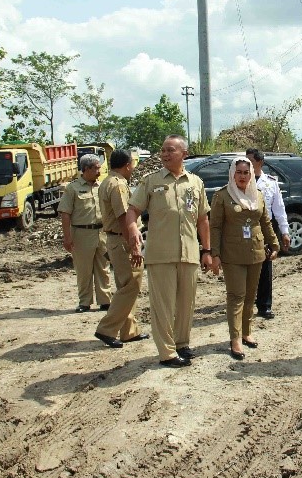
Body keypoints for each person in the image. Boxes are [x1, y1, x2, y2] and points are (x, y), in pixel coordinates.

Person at [126, 135, 212, 368]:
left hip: (189, 253)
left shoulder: (195, 183)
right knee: (163, 305)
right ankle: (167, 352)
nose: (164, 154)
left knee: (187, 303)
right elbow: (132, 211)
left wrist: (207, 250)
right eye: (162, 150)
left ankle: (182, 343)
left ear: (184, 153)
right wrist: (133, 231)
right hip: (160, 254)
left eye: (170, 150)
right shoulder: (151, 181)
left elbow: (203, 219)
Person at [210, 157, 280, 360]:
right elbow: (215, 226)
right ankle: (235, 339)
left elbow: (265, 221)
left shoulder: (257, 195)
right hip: (232, 254)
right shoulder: (222, 195)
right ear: (232, 173)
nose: (242, 176)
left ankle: (247, 332)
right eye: (239, 172)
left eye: (246, 172)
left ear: (251, 175)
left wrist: (274, 244)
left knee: (251, 295)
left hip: (256, 252)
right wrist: (215, 253)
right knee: (236, 296)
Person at [93, 149, 150, 349]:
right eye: (132, 165)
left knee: (125, 285)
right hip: (122, 240)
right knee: (131, 286)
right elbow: (124, 218)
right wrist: (134, 246)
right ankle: (106, 329)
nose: (133, 168)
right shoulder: (117, 185)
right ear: (127, 165)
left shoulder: (108, 181)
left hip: (115, 239)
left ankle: (129, 331)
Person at [59, 154, 112, 313]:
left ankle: (105, 300)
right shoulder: (72, 188)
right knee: (84, 270)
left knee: (103, 268)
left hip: (102, 233)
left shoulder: (102, 186)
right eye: (96, 168)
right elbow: (65, 213)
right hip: (81, 234)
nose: (99, 171)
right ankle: (85, 302)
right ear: (86, 169)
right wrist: (67, 237)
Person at [245, 148, 289, 319]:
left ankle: (264, 305)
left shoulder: (270, 183)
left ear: (260, 162)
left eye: (251, 161)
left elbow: (279, 209)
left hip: (265, 228)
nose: (247, 165)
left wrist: (284, 231)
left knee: (265, 267)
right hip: (245, 229)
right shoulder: (240, 180)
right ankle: (244, 303)